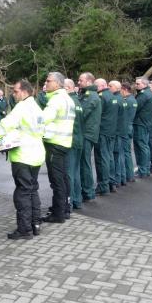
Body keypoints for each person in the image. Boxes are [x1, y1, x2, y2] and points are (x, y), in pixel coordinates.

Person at [0, 79, 45, 240]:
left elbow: (5, 124)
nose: (13, 94)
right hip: (36, 154)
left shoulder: (21, 107)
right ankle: (35, 224)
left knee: (22, 192)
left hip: (23, 155)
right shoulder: (37, 107)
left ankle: (24, 229)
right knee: (32, 189)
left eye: (15, 91)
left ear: (23, 91)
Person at [41, 72, 75, 223]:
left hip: (55, 143)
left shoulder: (56, 100)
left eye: (48, 81)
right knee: (62, 177)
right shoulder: (68, 99)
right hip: (64, 142)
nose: (46, 83)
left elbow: (42, 120)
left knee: (56, 180)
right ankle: (64, 208)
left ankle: (58, 213)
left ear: (57, 83)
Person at [78, 72, 101, 200]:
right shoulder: (87, 95)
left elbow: (82, 113)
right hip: (87, 133)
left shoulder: (91, 96)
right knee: (84, 162)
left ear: (89, 82)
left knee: (85, 162)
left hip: (87, 134)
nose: (78, 82)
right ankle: (86, 189)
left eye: (81, 80)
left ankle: (88, 191)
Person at [64, 79, 84, 211]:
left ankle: (68, 203)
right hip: (78, 140)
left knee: (69, 173)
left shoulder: (68, 102)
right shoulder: (77, 101)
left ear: (67, 88)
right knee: (75, 172)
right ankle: (77, 200)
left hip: (70, 141)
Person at [133, 77, 152, 177]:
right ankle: (145, 168)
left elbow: (135, 107)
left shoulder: (143, 94)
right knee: (144, 145)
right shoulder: (149, 93)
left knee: (141, 146)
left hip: (140, 123)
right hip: (145, 122)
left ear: (144, 84)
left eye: (138, 84)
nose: (136, 85)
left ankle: (143, 169)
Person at [108, 80, 125, 188]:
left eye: (110, 86)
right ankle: (119, 178)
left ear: (116, 88)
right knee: (118, 155)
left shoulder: (116, 99)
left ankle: (115, 179)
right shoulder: (121, 99)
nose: (108, 87)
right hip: (120, 131)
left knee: (114, 156)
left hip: (116, 132)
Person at [120, 82, 137, 183]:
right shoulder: (133, 100)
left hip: (125, 128)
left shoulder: (127, 101)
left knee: (125, 152)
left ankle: (128, 175)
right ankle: (129, 174)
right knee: (127, 152)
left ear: (125, 89)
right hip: (129, 127)